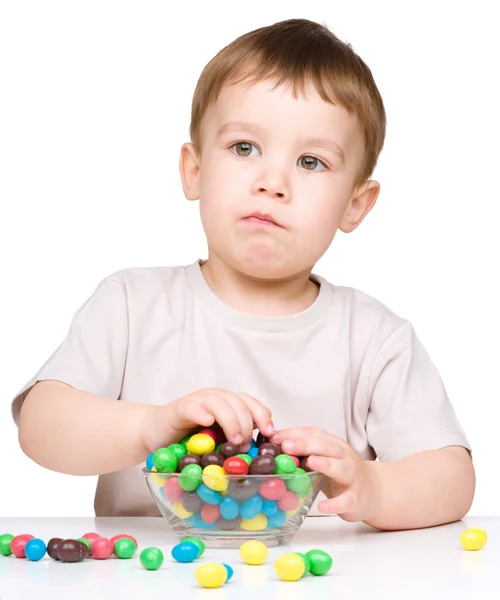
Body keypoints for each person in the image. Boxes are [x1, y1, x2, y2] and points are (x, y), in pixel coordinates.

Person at [12, 18, 475, 530]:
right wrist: (149, 426)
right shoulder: (130, 304)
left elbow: (452, 477)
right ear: (194, 170)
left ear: (355, 205)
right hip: (147, 578)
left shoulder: (374, 338)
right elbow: (40, 425)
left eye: (311, 161)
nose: (272, 182)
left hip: (314, 580)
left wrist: (375, 486)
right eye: (244, 148)